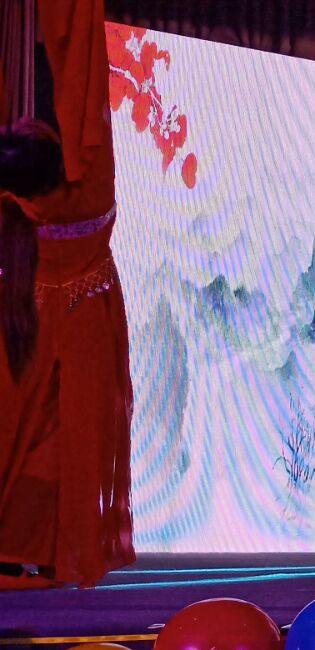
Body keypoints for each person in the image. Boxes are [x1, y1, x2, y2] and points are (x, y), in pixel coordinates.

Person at [0, 0, 133, 590]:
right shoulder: (90, 187)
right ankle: (56, 550)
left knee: (20, 435)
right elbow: (85, 90)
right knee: (71, 443)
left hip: (24, 323)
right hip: (85, 324)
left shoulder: (15, 208)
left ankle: (18, 548)